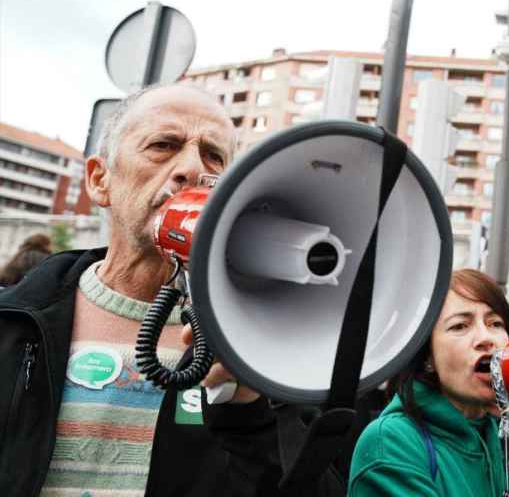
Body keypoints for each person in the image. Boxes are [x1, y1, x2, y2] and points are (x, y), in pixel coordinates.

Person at [0, 84, 342, 496]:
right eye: (163, 145)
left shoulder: (261, 345)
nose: (193, 169)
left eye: (214, 156)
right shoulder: (16, 323)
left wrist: (250, 413)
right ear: (99, 180)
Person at [348, 268, 509, 496]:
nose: (486, 337)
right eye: (460, 326)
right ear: (426, 355)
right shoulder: (391, 444)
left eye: (495, 323)